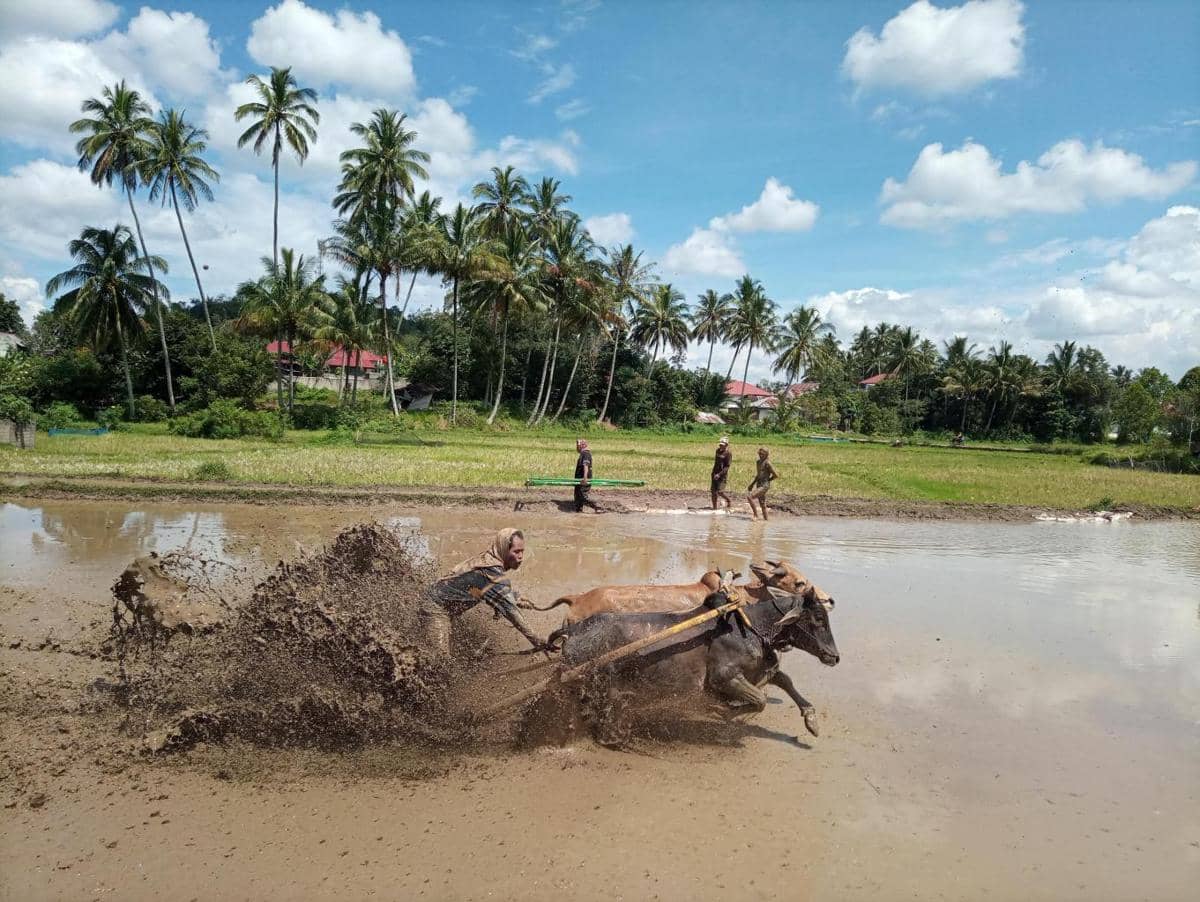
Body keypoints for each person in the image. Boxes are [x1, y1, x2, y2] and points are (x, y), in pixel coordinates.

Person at [421, 528, 548, 660]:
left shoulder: (488, 560)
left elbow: (478, 588)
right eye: (516, 551)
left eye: (522, 551)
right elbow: (512, 613)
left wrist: (514, 597)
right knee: (441, 660)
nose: (521, 557)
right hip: (435, 608)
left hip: (442, 602)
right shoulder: (490, 572)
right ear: (504, 550)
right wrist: (538, 641)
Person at [747, 447, 779, 521]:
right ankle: (766, 520)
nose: (760, 455)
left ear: (766, 454)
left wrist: (768, 480)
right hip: (759, 484)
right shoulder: (758, 462)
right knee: (762, 504)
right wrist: (752, 484)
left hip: (764, 485)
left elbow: (775, 475)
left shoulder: (767, 463)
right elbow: (758, 475)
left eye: (762, 454)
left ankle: (755, 515)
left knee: (750, 497)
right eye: (759, 453)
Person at [574, 438, 598, 513]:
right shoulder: (582, 453)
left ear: (583, 445)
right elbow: (578, 450)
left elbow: (586, 466)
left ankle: (596, 507)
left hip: (584, 478)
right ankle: (578, 511)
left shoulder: (586, 454)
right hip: (579, 479)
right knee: (578, 496)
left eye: (580, 445)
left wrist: (585, 478)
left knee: (583, 496)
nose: (578, 446)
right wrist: (577, 443)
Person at [710, 436, 733, 510]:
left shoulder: (728, 453)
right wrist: (714, 473)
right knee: (713, 492)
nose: (721, 446)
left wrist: (719, 474)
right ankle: (714, 508)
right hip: (714, 473)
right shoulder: (717, 451)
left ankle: (728, 500)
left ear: (726, 445)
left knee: (720, 491)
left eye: (722, 445)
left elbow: (727, 466)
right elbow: (716, 463)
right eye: (720, 445)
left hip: (722, 475)